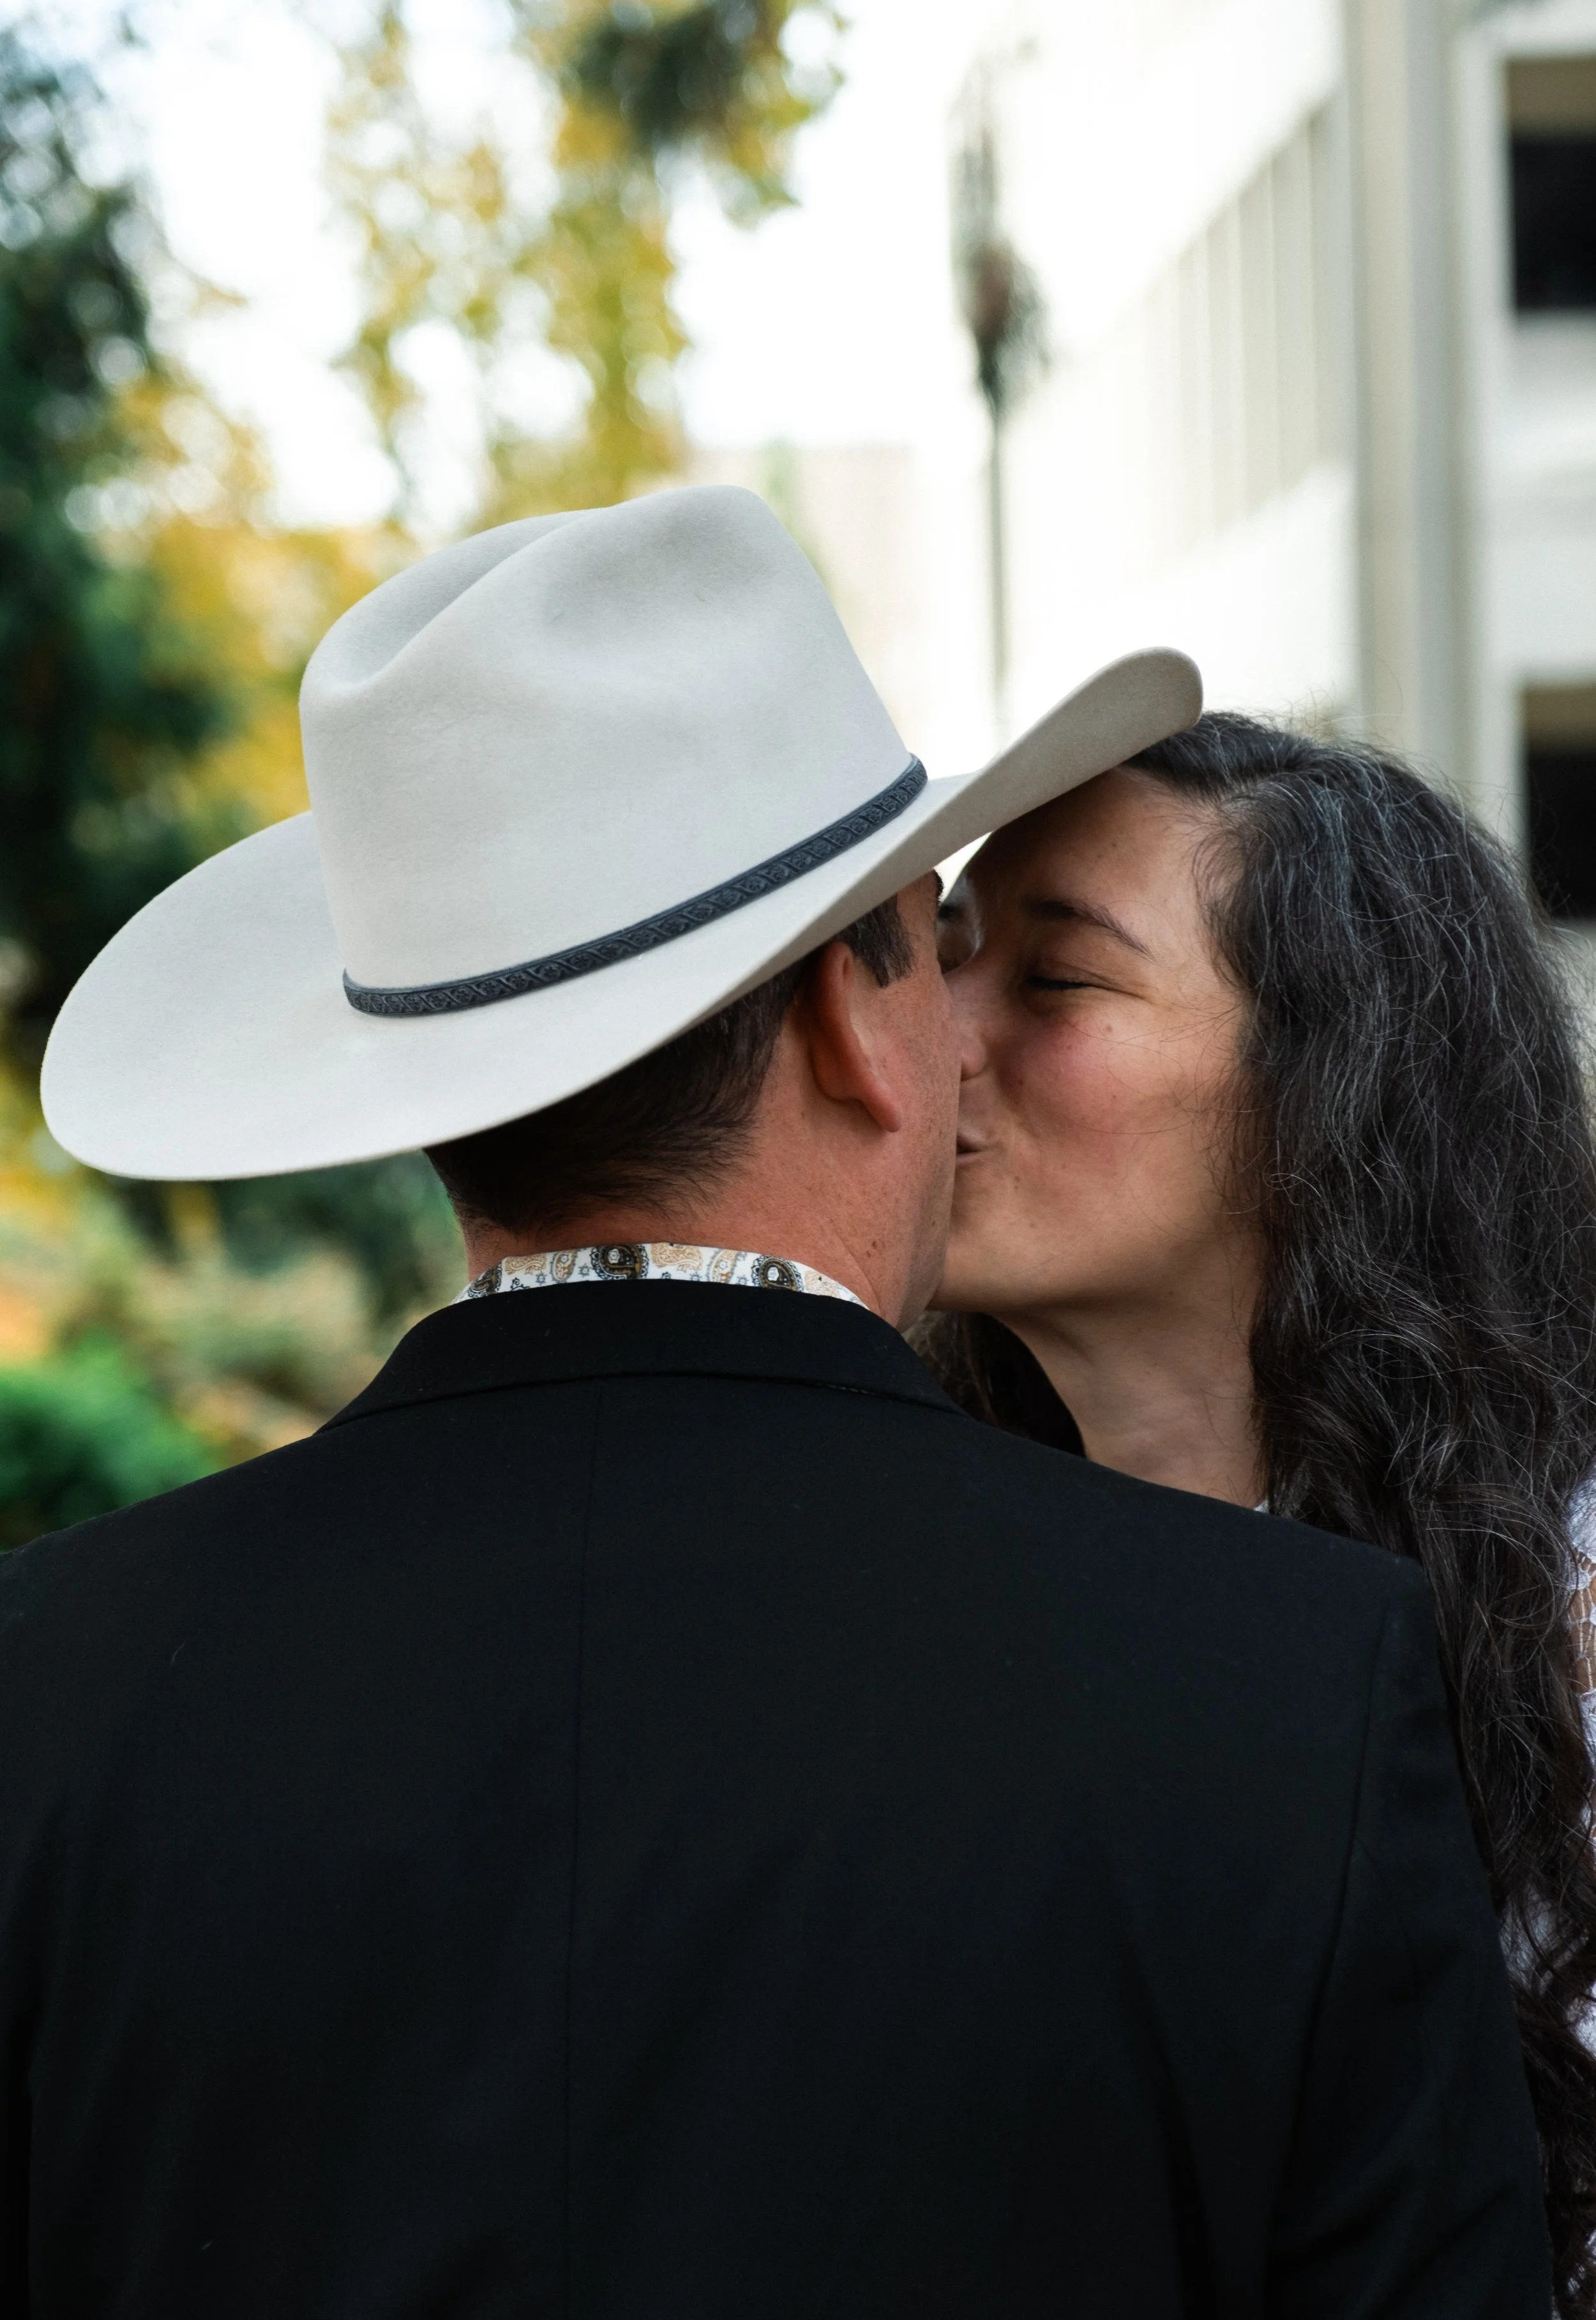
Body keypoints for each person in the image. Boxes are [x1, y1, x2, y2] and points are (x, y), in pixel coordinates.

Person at [0, 497, 1547, 2316]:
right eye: (930, 937)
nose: (968, 1030)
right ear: (843, 1012)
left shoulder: (48, 1682)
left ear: (430, 1087)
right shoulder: (1284, 1689)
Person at [926, 708, 1596, 2320]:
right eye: (936, 961)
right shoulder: (906, 1589)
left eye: (1052, 979)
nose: (928, 1042)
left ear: (1334, 1079)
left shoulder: (1571, 1618)